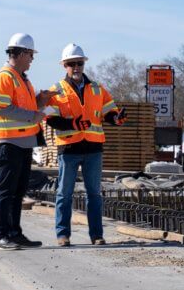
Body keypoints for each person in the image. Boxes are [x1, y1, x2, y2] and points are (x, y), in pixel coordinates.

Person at [45, 43, 126, 246]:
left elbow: (109, 112)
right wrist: (72, 123)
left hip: (93, 148)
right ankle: (62, 235)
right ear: (64, 65)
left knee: (94, 194)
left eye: (79, 63)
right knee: (64, 193)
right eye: (72, 64)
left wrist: (116, 118)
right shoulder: (56, 90)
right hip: (69, 149)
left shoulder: (97, 89)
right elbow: (50, 119)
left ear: (84, 64)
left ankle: (96, 235)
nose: (76, 67)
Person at [0, 33, 56, 251]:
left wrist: (39, 101)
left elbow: (23, 106)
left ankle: (14, 233)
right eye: (30, 54)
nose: (32, 59)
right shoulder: (5, 77)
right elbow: (2, 107)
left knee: (18, 191)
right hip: (8, 143)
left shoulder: (22, 78)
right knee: (6, 191)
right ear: (18, 53)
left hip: (22, 142)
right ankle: (1, 236)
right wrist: (32, 116)